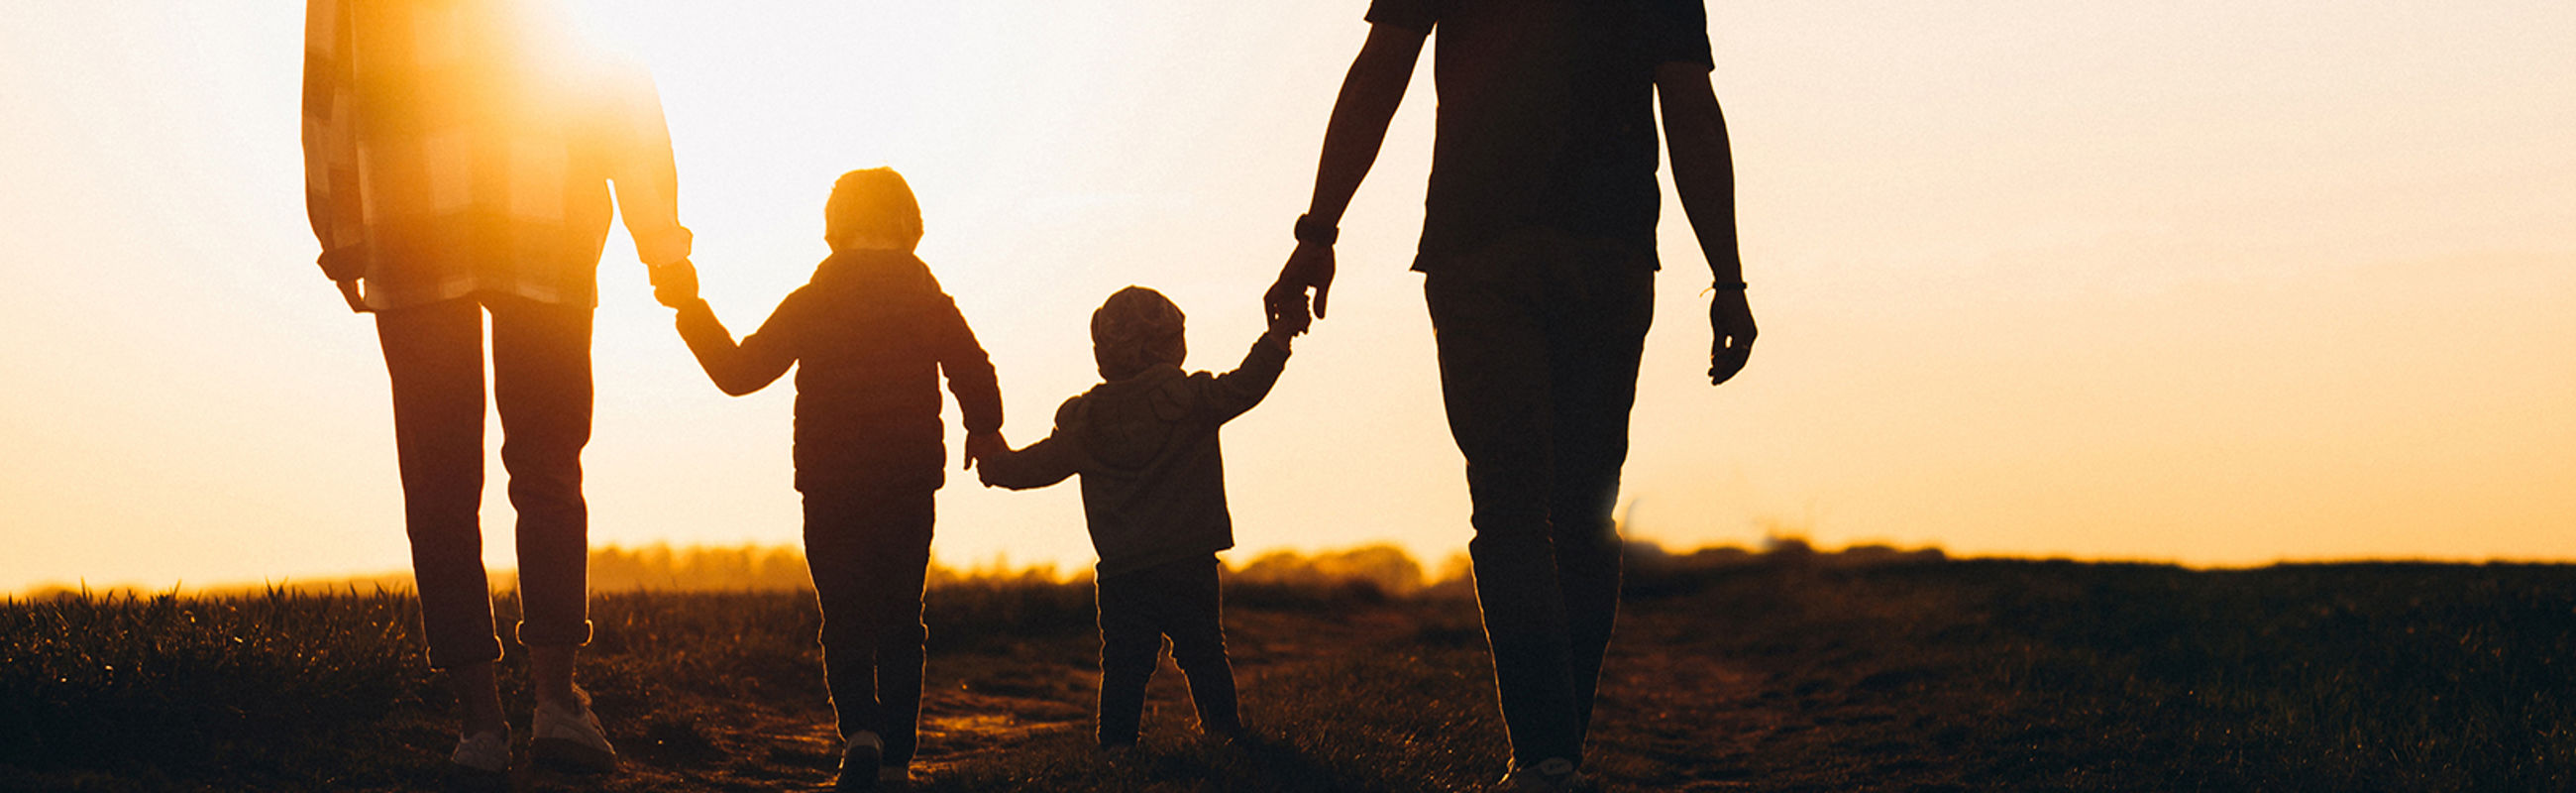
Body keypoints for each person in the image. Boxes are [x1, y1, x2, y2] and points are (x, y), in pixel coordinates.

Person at [1263, 0, 1758, 789]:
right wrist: (1726, 278)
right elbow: (1691, 109)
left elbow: (1379, 72)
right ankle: (1557, 754)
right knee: (1583, 513)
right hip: (1607, 254)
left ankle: (1545, 756)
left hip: (1479, 248)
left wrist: (1318, 232)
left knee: (1509, 510)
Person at [300, 0, 697, 775]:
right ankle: (556, 703)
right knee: (547, 472)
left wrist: (340, 229)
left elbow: (328, 85)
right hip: (544, 216)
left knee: (439, 487)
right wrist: (659, 238)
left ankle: (480, 727)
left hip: (412, 224)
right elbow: (614, 74)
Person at [655, 168, 1004, 791]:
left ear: (833, 228)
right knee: (902, 617)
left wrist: (690, 308)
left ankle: (861, 733)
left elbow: (738, 372)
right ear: (911, 226)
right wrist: (985, 430)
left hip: (830, 480)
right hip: (907, 479)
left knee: (843, 615)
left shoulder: (813, 301)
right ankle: (896, 761)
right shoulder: (929, 301)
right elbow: (974, 371)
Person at [975, 286, 1301, 752]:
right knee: (1204, 653)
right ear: (1170, 343)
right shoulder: (1193, 400)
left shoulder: (1085, 421)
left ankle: (1116, 750)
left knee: (1124, 666)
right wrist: (1279, 335)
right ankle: (1226, 737)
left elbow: (1032, 468)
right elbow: (1248, 383)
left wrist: (992, 461)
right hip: (1189, 560)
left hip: (1123, 572)